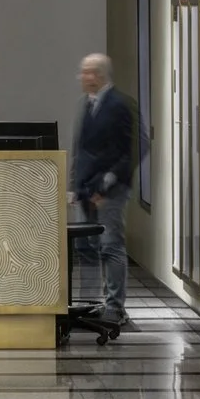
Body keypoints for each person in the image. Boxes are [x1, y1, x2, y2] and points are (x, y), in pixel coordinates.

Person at [72, 52, 136, 321]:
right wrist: (77, 186)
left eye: (87, 72)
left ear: (98, 75)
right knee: (89, 246)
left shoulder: (119, 105)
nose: (82, 77)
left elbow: (128, 151)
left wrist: (106, 183)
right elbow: (83, 149)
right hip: (87, 189)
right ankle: (96, 302)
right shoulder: (88, 104)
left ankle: (115, 307)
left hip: (110, 190)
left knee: (111, 245)